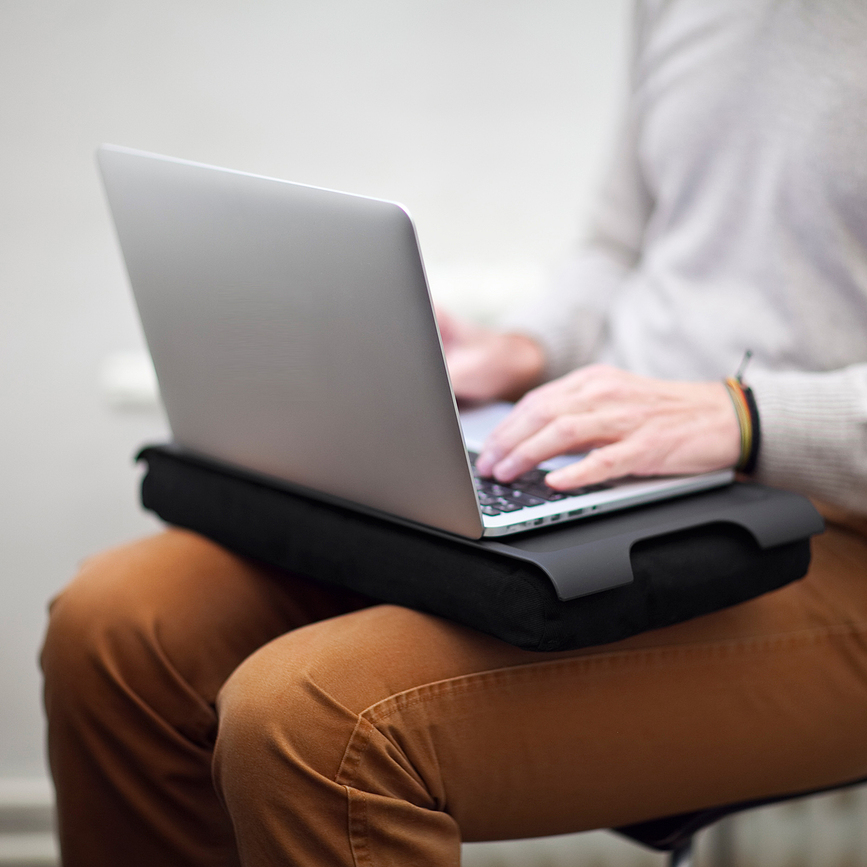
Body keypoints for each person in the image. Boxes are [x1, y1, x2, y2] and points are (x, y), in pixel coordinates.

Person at [41, 2, 867, 865]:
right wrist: (525, 346)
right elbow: (617, 248)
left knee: (320, 719)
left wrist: (744, 416)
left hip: (828, 523)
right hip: (616, 469)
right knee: (114, 629)